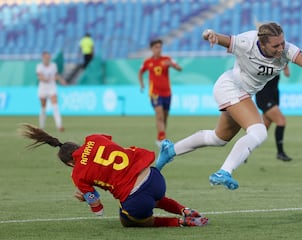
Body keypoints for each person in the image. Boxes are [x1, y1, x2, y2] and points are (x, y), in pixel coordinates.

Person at [156, 22, 302, 190]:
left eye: (282, 43)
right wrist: (209, 34)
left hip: (243, 94)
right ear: (261, 43)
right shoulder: (247, 42)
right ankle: (224, 171)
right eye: (275, 45)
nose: (281, 48)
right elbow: (216, 36)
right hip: (230, 87)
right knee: (258, 131)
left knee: (218, 138)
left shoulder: (287, 49)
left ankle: (170, 150)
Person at [20, 124, 208, 228]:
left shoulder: (77, 174)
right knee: (153, 198)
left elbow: (98, 208)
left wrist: (86, 197)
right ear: (77, 146)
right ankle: (185, 210)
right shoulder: (93, 138)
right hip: (154, 177)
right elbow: (107, 140)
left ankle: (181, 222)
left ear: (69, 163)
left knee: (127, 220)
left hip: (136, 197)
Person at [138, 39, 182, 147]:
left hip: (167, 93)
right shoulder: (147, 62)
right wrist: (142, 84)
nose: (159, 49)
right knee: (159, 115)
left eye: (160, 47)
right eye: (156, 47)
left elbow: (180, 68)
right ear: (152, 49)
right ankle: (161, 139)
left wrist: (172, 64)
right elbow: (140, 72)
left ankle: (161, 136)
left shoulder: (167, 59)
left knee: (165, 117)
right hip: (155, 93)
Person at [255, 64, 292, 161]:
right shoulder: (261, 58)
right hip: (264, 96)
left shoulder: (277, 57)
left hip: (273, 94)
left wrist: (285, 66)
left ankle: (244, 150)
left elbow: (286, 71)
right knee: (281, 121)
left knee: (262, 130)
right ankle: (280, 153)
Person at [36, 51, 67, 132]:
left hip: (52, 87)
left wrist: (61, 80)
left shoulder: (53, 66)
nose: (47, 59)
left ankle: (59, 125)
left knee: (55, 105)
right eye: (46, 57)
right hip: (43, 87)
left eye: (48, 57)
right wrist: (47, 79)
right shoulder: (39, 66)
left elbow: (56, 75)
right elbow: (40, 77)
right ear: (43, 58)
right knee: (43, 106)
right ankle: (42, 126)